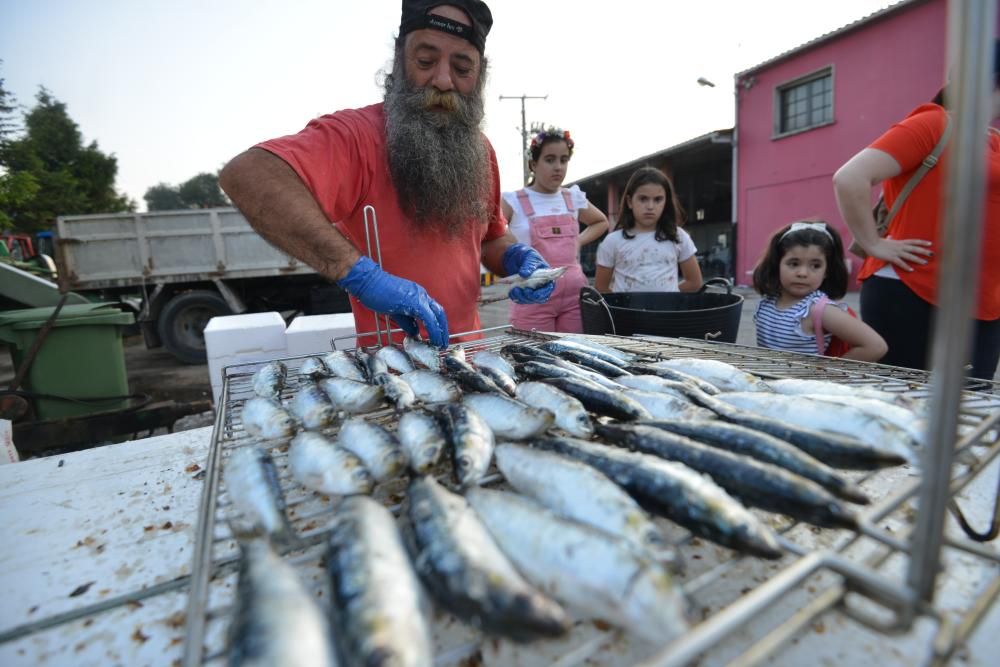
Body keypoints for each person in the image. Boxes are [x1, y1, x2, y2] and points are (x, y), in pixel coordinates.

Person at [218, 0, 554, 349]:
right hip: (394, 372)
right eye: (426, 61)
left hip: (474, 359)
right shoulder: (357, 136)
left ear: (480, 74)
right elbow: (248, 175)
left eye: (462, 67)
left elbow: (489, 238)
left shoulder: (480, 151)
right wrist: (360, 276)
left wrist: (517, 257)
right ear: (400, 58)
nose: (442, 80)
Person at [833, 41, 1000, 379]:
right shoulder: (934, 124)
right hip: (911, 290)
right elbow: (850, 178)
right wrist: (874, 243)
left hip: (984, 299)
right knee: (906, 407)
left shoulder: (994, 140)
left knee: (968, 411)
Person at [500, 127, 609, 332]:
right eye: (550, 160)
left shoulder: (572, 198)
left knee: (572, 356)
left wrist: (577, 241)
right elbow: (488, 230)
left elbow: (601, 221)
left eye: (563, 160)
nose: (558, 167)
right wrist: (512, 249)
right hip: (533, 295)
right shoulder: (513, 201)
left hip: (574, 298)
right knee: (533, 356)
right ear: (534, 163)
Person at [752, 221, 887, 362]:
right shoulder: (766, 303)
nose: (803, 273)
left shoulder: (820, 310)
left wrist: (827, 375)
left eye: (815, 265)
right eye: (793, 263)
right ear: (776, 264)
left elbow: (875, 346)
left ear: (826, 271)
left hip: (803, 384)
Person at [594, 166, 703, 293]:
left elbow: (695, 283)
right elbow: (601, 288)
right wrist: (623, 304)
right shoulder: (612, 241)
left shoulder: (678, 236)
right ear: (629, 201)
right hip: (626, 312)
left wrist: (667, 297)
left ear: (665, 202)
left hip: (668, 312)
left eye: (658, 199)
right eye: (643, 199)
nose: (650, 206)